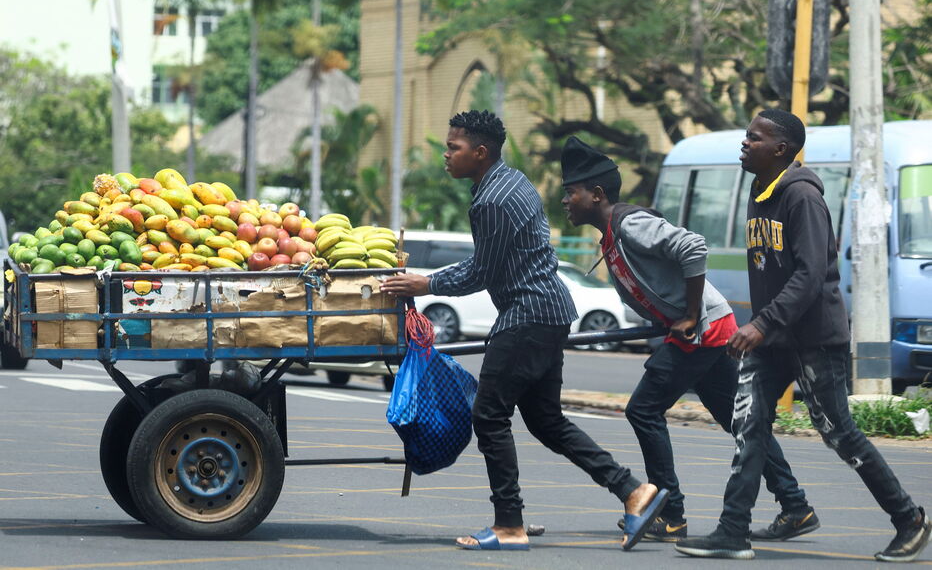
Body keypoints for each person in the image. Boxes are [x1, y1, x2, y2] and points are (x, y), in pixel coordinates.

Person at [380, 110, 669, 552]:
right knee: (546, 421)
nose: (446, 154)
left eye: (454, 147)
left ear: (480, 152)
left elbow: (482, 271)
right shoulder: (513, 181)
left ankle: (509, 524)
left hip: (527, 315)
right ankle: (632, 490)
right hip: (547, 312)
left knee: (488, 415)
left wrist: (427, 283)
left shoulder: (492, 200)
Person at [675, 109, 931, 562]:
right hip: (773, 341)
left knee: (839, 433)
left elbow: (811, 275)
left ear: (781, 149)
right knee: (748, 427)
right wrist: (764, 328)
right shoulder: (759, 190)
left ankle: (909, 520)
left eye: (754, 138)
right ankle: (733, 531)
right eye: (746, 136)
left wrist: (760, 324)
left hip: (813, 339)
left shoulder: (802, 197)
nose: (745, 143)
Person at [560, 136, 817, 544]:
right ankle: (795, 505)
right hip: (706, 331)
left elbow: (693, 247)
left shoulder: (630, 224)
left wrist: (692, 314)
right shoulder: (611, 236)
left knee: (643, 410)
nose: (565, 201)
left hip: (705, 331)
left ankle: (671, 514)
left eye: (570, 192)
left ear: (596, 194)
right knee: (739, 422)